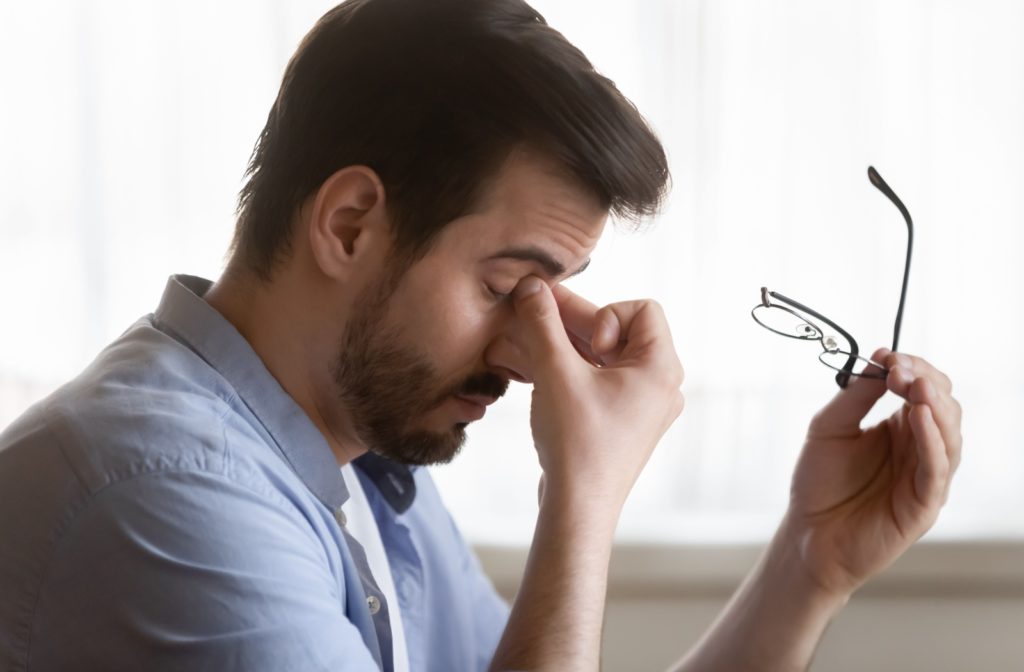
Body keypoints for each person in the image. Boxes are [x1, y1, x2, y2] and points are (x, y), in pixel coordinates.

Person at [0, 0, 962, 670]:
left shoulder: (362, 467)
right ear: (349, 225)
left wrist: (808, 563)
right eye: (509, 286)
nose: (531, 353)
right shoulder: (166, 495)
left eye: (556, 294)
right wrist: (581, 497)